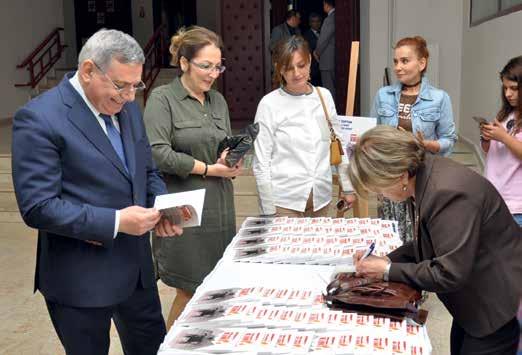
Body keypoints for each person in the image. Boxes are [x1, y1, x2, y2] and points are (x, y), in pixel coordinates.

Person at [11, 29, 183, 355]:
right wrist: (117, 221)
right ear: (88, 70)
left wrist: (163, 207)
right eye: (121, 85)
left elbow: (145, 171)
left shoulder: (128, 108)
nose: (130, 96)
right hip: (80, 279)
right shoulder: (40, 118)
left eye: (137, 85)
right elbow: (38, 206)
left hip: (136, 271)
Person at [348, 126, 522, 355]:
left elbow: (449, 272)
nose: (380, 195)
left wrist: (388, 270)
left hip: (492, 302)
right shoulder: (424, 175)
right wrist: (386, 260)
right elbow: (430, 241)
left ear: (399, 175)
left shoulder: (446, 192)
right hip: (472, 299)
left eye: (378, 188)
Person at [143, 26, 241, 329]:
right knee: (189, 291)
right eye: (205, 66)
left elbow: (220, 146)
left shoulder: (217, 102)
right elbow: (158, 153)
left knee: (216, 289)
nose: (213, 74)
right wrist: (209, 169)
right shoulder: (162, 100)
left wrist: (230, 159)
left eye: (218, 66)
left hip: (220, 209)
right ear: (184, 62)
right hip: (183, 212)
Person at [253, 35, 355, 218]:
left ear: (309, 62)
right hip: (283, 201)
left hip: (320, 198)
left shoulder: (324, 96)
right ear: (279, 69)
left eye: (301, 65)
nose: (297, 73)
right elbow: (261, 162)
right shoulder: (269, 104)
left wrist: (347, 187)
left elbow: (338, 144)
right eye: (288, 68)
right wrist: (268, 211)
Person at [371, 35, 456, 243]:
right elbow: (371, 135)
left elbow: (449, 140)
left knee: (423, 237)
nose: (398, 67)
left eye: (405, 61)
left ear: (422, 63)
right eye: (395, 61)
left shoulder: (440, 98)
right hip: (391, 178)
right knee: (392, 237)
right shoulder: (383, 95)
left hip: (424, 178)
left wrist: (428, 145)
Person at [481, 56, 522, 226]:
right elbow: (490, 151)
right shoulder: (506, 114)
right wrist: (487, 137)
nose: (508, 94)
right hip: (493, 199)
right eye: (505, 88)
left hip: (516, 207)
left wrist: (504, 137)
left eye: (514, 88)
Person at [314, 0, 336, 98]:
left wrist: (316, 52)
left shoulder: (330, 19)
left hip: (328, 61)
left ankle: (331, 111)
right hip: (333, 59)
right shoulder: (336, 16)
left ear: (326, 5)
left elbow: (323, 39)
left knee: (329, 89)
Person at [303, 12, 322, 86]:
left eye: (318, 21)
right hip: (313, 69)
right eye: (314, 21)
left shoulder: (323, 32)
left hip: (323, 68)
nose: (316, 24)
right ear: (310, 23)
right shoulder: (306, 35)